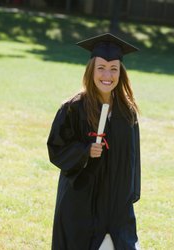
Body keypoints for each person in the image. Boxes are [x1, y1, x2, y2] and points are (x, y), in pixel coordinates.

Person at [47, 33, 141, 250]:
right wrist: (85, 151)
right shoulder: (72, 108)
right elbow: (56, 148)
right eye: (101, 68)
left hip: (114, 203)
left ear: (121, 73)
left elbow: (132, 160)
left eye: (113, 68)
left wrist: (126, 199)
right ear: (91, 70)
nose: (107, 75)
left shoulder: (127, 113)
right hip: (81, 202)